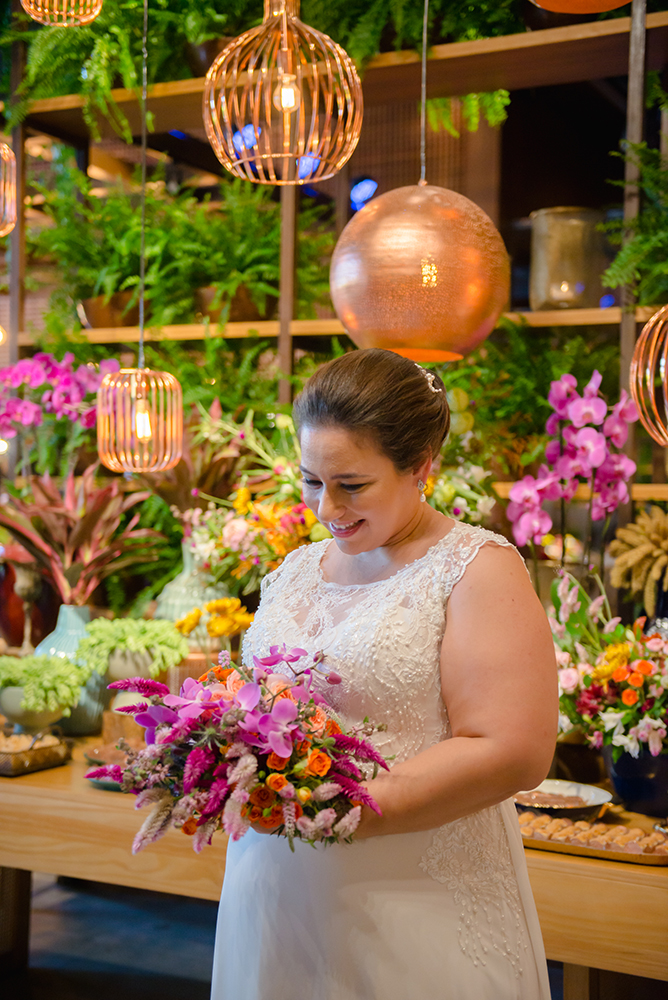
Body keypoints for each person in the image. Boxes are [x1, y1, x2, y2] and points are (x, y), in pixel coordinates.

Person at [211, 348, 557, 1000]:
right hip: (273, 895)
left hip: (410, 904)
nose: (326, 508)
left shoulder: (475, 568)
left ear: (421, 466)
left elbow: (513, 749)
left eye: (352, 484)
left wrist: (350, 806)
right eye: (312, 480)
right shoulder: (293, 572)